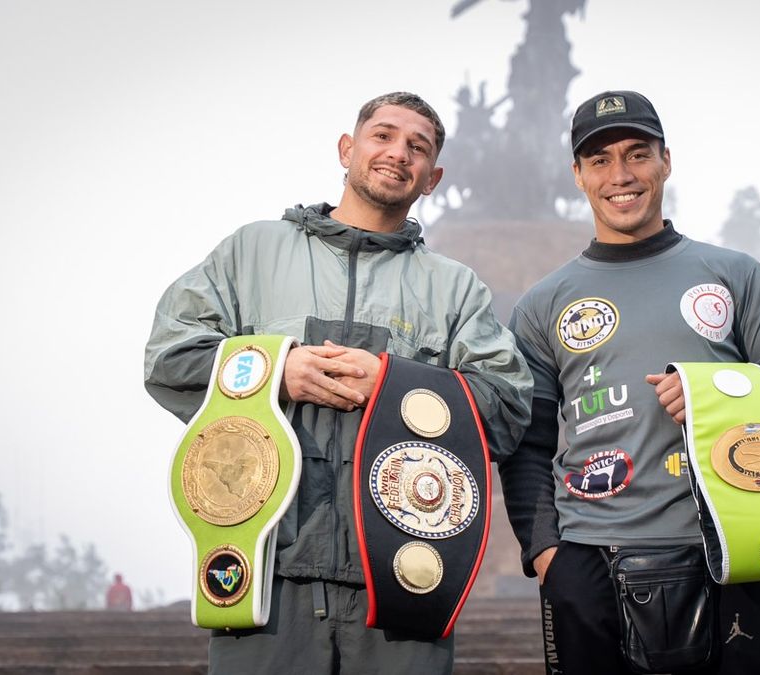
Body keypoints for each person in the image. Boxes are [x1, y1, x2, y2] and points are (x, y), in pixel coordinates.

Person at [144, 91, 532, 674]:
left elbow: (506, 409)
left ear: (433, 177)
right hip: (265, 569)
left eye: (417, 147)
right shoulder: (253, 252)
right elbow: (170, 358)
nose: (398, 153)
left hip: (402, 576)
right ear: (347, 149)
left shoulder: (454, 289)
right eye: (383, 135)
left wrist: (394, 384)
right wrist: (276, 369)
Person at [499, 90, 760, 674]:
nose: (620, 175)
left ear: (666, 161)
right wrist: (548, 555)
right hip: (587, 561)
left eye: (637, 154)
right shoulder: (541, 304)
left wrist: (714, 392)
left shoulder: (732, 274)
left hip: (727, 551)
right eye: (600, 160)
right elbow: (527, 444)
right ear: (578, 175)